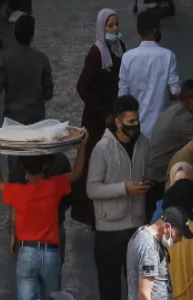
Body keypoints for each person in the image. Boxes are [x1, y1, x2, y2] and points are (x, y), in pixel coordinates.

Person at [0, 134, 89, 300]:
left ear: (24, 170)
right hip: (51, 252)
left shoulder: (17, 190)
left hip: (27, 251)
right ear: (44, 167)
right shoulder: (54, 186)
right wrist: (82, 146)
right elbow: (78, 173)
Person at [87, 94, 150, 300]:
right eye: (130, 122)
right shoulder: (102, 149)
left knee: (139, 292)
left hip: (136, 228)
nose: (135, 126)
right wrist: (124, 188)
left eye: (137, 120)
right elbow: (92, 189)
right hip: (109, 232)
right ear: (116, 121)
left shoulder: (144, 144)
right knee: (112, 294)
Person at [73, 9, 128, 226]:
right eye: (109, 26)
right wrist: (102, 112)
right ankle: (89, 214)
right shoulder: (96, 54)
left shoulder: (121, 48)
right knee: (92, 164)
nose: (114, 29)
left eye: (116, 25)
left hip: (114, 117)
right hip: (97, 121)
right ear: (101, 28)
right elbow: (82, 87)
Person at [145, 80, 193, 215]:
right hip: (159, 181)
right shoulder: (184, 120)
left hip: (157, 175)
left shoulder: (175, 109)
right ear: (187, 100)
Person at [118, 10, 181, 138]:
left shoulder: (127, 58)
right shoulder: (168, 56)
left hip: (135, 128)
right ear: (155, 30)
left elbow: (122, 96)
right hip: (160, 128)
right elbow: (176, 92)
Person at [0, 15, 53, 131]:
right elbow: (48, 94)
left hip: (12, 120)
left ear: (15, 35)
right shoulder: (42, 59)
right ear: (32, 36)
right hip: (35, 120)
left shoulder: (6, 58)